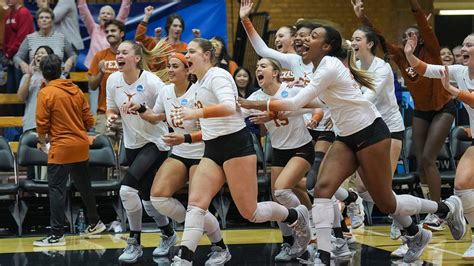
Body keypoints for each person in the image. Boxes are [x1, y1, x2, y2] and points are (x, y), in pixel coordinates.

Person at [238, 20, 466, 265]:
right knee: (322, 190)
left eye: (312, 35)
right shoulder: (312, 68)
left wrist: (252, 104)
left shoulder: (329, 66)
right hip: (346, 136)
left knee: (386, 202)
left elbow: (295, 103)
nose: (304, 39)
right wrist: (246, 21)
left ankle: (444, 209)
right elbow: (314, 104)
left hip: (371, 133)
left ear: (326, 46)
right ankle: (324, 256)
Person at [169, 38, 311, 265]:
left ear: (206, 55)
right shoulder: (197, 85)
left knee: (251, 212)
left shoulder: (218, 76)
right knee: (196, 204)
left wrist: (196, 114)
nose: (187, 56)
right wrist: (186, 124)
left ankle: (296, 215)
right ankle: (185, 258)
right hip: (213, 148)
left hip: (236, 146)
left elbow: (229, 106)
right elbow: (205, 120)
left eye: (191, 52)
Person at [352, 0, 456, 231]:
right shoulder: (400, 56)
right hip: (421, 112)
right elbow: (378, 39)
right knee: (420, 161)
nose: (406, 39)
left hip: (443, 108)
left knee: (429, 158)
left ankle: (439, 212)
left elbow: (426, 31)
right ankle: (423, 209)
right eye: (404, 35)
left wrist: (415, 7)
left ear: (419, 39)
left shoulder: (431, 52)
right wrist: (363, 18)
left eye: (412, 35)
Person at [123, 53, 232, 265]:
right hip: (180, 153)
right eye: (168, 66)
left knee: (196, 207)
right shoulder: (165, 92)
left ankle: (220, 247)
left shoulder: (198, 93)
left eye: (175, 66)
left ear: (187, 70)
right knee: (158, 197)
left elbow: (211, 130)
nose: (170, 70)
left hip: (203, 154)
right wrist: (141, 108)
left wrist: (185, 137)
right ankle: (194, 226)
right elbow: (156, 117)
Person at [242, 57, 320, 261]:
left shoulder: (291, 90)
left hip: (302, 147)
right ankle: (288, 241)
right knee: (278, 199)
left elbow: (317, 105)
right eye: (257, 66)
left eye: (263, 66)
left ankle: (305, 228)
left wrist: (274, 113)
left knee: (282, 189)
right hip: (279, 151)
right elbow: (235, 114)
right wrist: (205, 117)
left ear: (275, 73)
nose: (258, 69)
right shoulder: (255, 96)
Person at [405, 32, 474, 260]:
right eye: (463, 44)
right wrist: (410, 55)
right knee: (461, 186)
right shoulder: (459, 72)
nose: (464, 48)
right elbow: (426, 69)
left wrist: (455, 92)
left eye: (470, 45)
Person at [105, 41, 173, 264]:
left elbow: (165, 114)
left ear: (136, 58)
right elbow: (110, 107)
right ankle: (169, 234)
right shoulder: (113, 80)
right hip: (132, 144)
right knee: (147, 199)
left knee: (126, 190)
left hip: (156, 142)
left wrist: (144, 110)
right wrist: (111, 116)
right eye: (117, 53)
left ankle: (134, 242)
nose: (119, 56)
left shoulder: (152, 82)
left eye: (124, 52)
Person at [33, 54, 105, 247]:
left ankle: (57, 234)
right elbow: (89, 120)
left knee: (56, 189)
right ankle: (95, 222)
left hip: (62, 147)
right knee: (84, 185)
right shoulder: (75, 89)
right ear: (61, 70)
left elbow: (41, 124)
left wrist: (41, 142)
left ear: (43, 73)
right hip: (81, 145)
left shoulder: (46, 93)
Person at [88, 19, 124, 140]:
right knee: (102, 156)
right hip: (104, 114)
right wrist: (101, 73)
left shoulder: (130, 54)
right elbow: (92, 86)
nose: (109, 33)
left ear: (122, 33)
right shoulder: (100, 56)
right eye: (107, 31)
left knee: (128, 155)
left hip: (128, 115)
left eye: (113, 30)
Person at [14, 7, 76, 76]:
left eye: (47, 17)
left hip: (57, 78)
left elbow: (73, 55)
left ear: (52, 21)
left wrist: (70, 61)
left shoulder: (61, 37)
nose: (44, 20)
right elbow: (17, 57)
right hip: (35, 79)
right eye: (41, 18)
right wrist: (22, 64)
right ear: (37, 22)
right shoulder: (29, 38)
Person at [77, 0, 131, 69]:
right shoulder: (93, 28)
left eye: (108, 13)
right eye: (103, 13)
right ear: (99, 17)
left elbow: (124, 12)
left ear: (113, 18)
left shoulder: (116, 27)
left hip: (112, 66)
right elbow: (84, 12)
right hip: (93, 66)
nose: (105, 15)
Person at [3, 0, 34, 94]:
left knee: (20, 88)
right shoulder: (9, 15)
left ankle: (22, 109)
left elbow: (22, 39)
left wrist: (8, 54)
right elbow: (6, 38)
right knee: (11, 89)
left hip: (22, 56)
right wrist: (6, 53)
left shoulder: (24, 13)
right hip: (10, 56)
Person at [234, 67, 260, 139]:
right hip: (235, 129)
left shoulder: (256, 93)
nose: (242, 78)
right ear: (234, 78)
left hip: (254, 129)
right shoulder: (230, 93)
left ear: (249, 79)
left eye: (245, 76)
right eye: (239, 76)